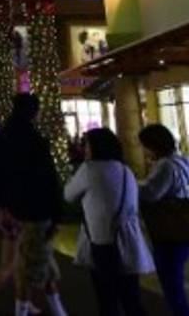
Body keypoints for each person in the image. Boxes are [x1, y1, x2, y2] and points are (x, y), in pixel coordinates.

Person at [0, 93, 66, 316]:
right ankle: (21, 307)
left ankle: (38, 307)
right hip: (32, 211)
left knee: (18, 262)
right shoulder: (35, 141)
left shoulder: (3, 136)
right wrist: (56, 214)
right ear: (33, 112)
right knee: (30, 262)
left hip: (7, 209)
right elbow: (48, 180)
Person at [64, 127, 153, 316]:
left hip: (102, 240)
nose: (84, 148)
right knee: (131, 298)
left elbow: (68, 195)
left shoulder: (89, 169)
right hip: (129, 240)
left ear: (95, 147)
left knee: (107, 298)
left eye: (86, 144)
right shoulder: (125, 170)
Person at [138, 123, 189, 316]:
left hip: (168, 228)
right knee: (174, 279)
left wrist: (134, 186)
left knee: (171, 283)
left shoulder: (165, 166)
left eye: (144, 145)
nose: (143, 150)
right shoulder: (181, 161)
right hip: (181, 226)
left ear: (154, 145)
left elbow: (152, 193)